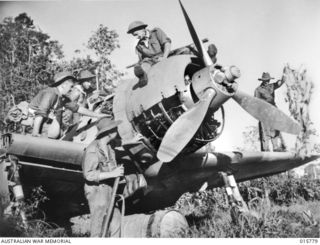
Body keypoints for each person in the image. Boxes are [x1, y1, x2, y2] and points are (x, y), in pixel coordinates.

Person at [29, 71, 106, 138]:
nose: (72, 89)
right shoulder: (50, 93)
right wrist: (35, 132)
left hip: (45, 119)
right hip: (33, 121)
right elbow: (40, 113)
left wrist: (97, 115)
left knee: (58, 133)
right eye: (71, 86)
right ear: (63, 85)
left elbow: (78, 108)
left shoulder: (63, 98)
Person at [82, 118, 124, 237]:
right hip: (96, 190)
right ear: (109, 132)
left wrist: (133, 140)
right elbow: (89, 175)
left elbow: (121, 143)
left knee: (116, 222)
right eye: (115, 128)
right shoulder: (92, 149)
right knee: (98, 227)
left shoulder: (109, 145)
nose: (117, 130)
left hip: (109, 189)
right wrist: (113, 174)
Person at [254, 72, 286, 152]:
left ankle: (276, 147)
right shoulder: (258, 90)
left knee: (275, 129)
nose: (267, 82)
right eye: (265, 80)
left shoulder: (272, 86)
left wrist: (284, 74)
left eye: (268, 80)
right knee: (265, 131)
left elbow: (280, 83)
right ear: (262, 80)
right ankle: (266, 149)